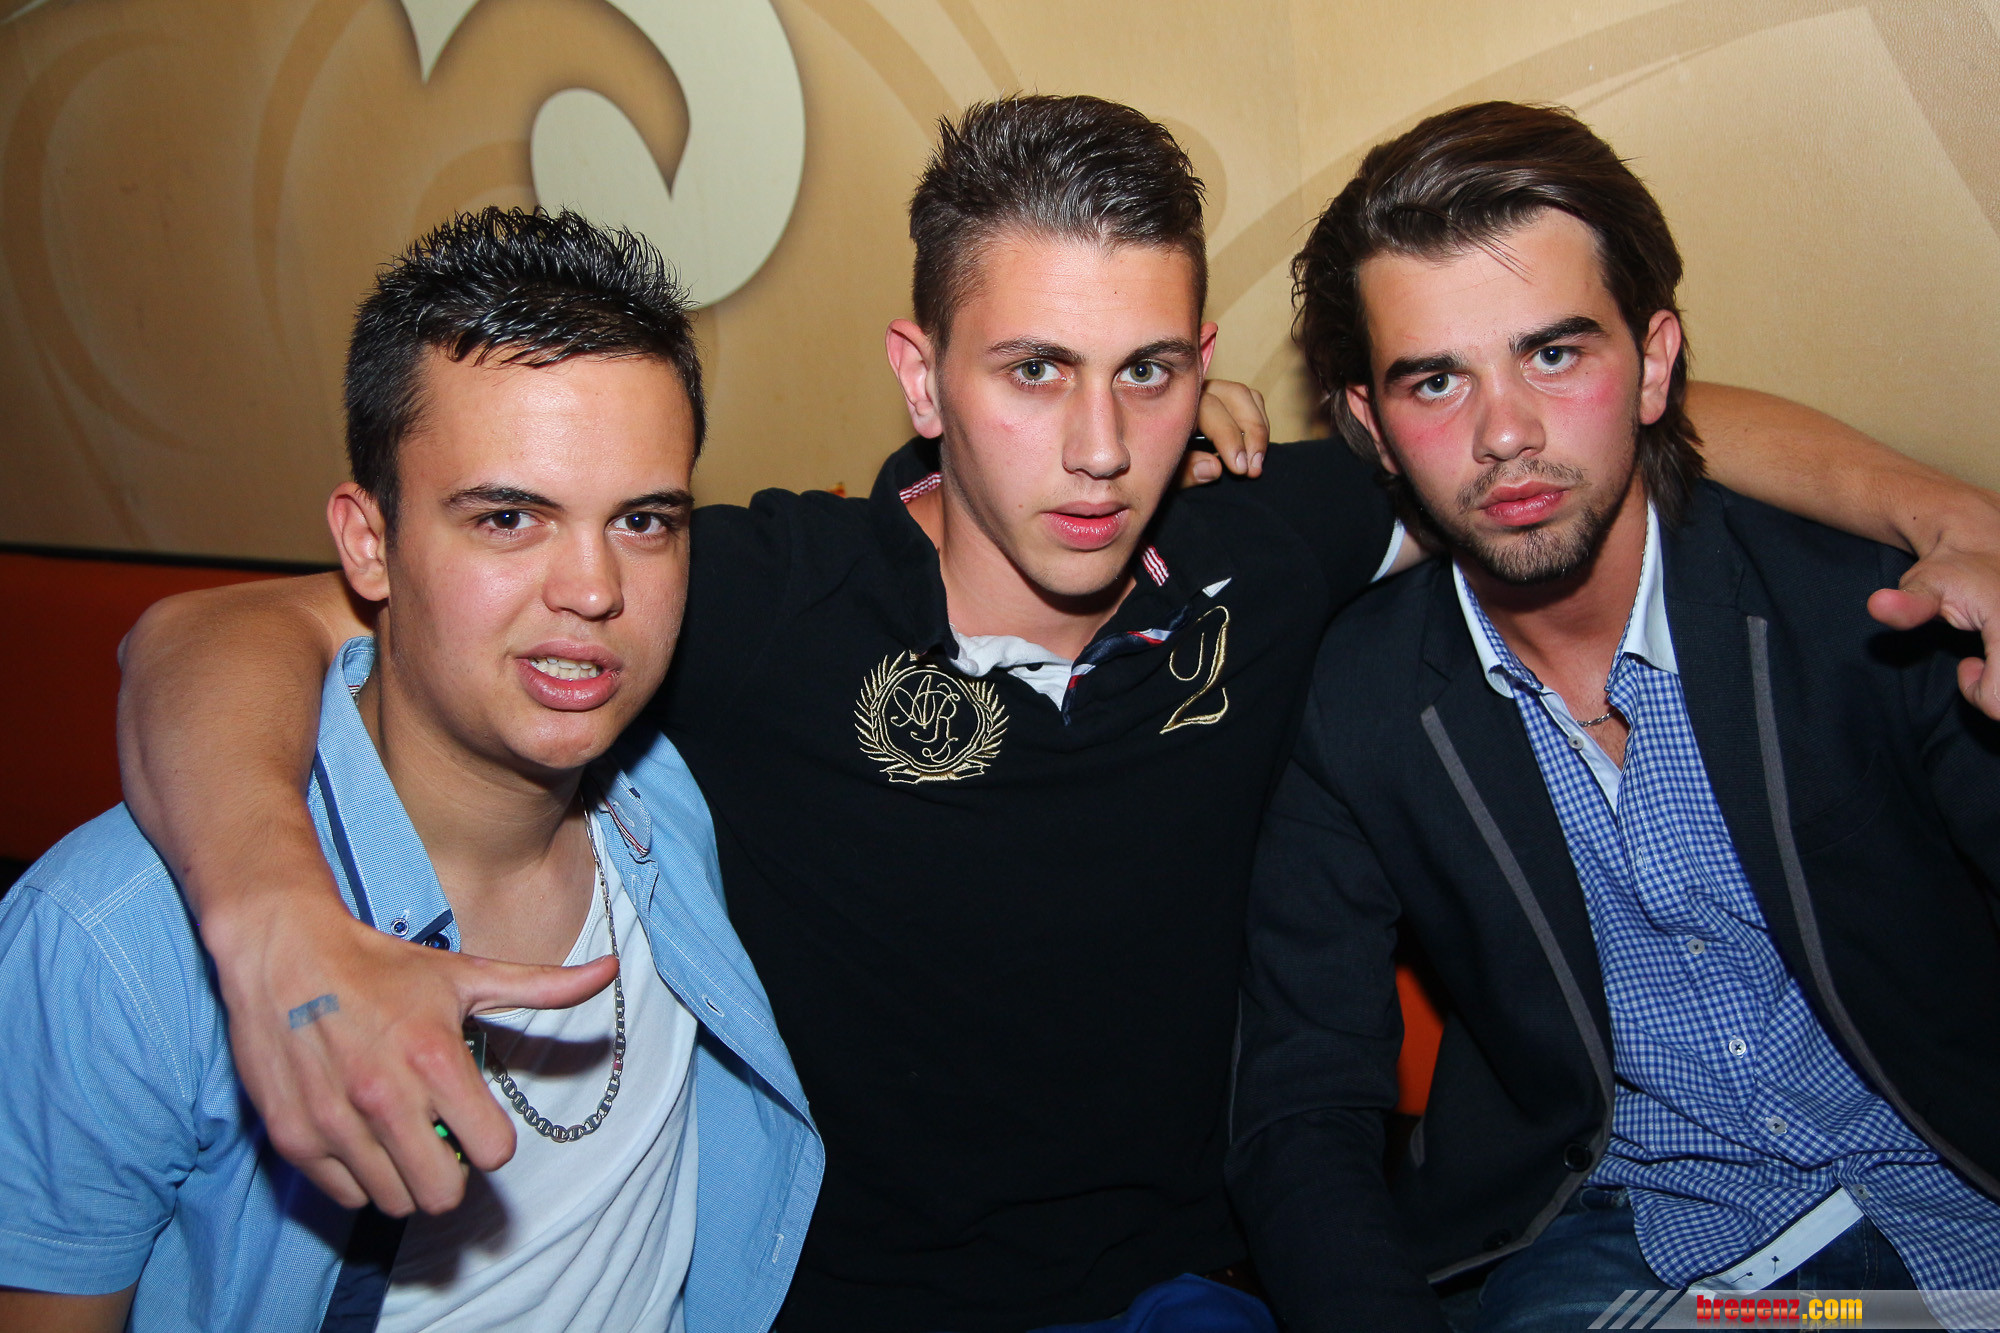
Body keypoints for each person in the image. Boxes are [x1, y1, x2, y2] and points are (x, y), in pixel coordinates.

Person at [114, 96, 2000, 1333]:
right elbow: (214, 633)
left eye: (1149, 371)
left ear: (1207, 370)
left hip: (1189, 1293)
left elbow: (1589, 431)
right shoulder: (749, 592)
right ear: (920, 375)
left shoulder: (1271, 540)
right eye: (1032, 371)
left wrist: (1942, 515)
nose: (1101, 448)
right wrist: (273, 914)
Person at [1228, 102, 2000, 1333]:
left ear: (1650, 364)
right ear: (1368, 425)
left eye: (1551, 353)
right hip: (1624, 1247)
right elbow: (1300, 1101)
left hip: (1952, 1193)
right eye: (1436, 379)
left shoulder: (1863, 609)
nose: (1504, 434)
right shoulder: (1357, 702)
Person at [0, 209, 820, 1333]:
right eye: (508, 517)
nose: (592, 590)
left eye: (642, 520)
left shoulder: (670, 791)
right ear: (368, 542)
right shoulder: (118, 944)